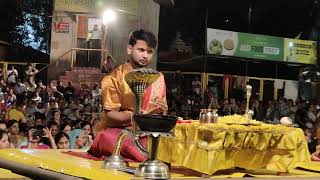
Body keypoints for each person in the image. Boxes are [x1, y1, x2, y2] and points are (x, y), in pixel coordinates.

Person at [89, 29, 168, 161]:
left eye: (149, 52)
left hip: (149, 131)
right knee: (126, 145)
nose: (145, 55)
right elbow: (110, 116)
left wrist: (163, 111)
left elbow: (160, 112)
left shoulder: (158, 78)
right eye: (141, 50)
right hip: (119, 131)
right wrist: (139, 116)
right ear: (130, 49)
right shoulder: (114, 78)